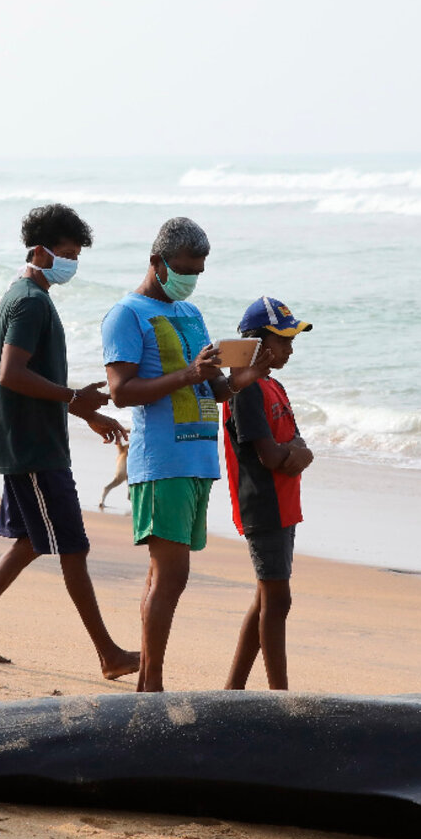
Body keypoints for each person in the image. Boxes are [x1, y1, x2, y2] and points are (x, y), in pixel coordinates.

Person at [0, 204, 139, 681]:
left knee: (31, 541)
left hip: (29, 442)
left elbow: (31, 378)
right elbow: (13, 375)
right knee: (72, 546)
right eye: (67, 254)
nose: (72, 263)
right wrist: (74, 396)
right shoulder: (30, 301)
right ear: (40, 251)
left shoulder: (24, 295)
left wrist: (83, 410)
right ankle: (109, 655)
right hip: (34, 449)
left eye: (76, 255)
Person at [101, 218, 268, 691]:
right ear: (157, 262)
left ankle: (147, 681)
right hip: (161, 460)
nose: (191, 278)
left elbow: (214, 386)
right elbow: (121, 392)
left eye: (199, 270)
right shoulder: (126, 315)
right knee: (171, 576)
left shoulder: (190, 314)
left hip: (198, 460)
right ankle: (151, 683)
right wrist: (191, 376)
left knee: (164, 575)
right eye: (185, 269)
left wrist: (249, 374)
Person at [222, 297, 314, 691]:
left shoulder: (272, 385)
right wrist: (297, 454)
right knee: (278, 600)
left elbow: (294, 442)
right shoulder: (246, 390)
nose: (290, 349)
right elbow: (271, 454)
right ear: (258, 343)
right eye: (283, 341)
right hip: (263, 503)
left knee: (266, 599)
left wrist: (297, 453)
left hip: (284, 503)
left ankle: (233, 690)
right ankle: (280, 694)